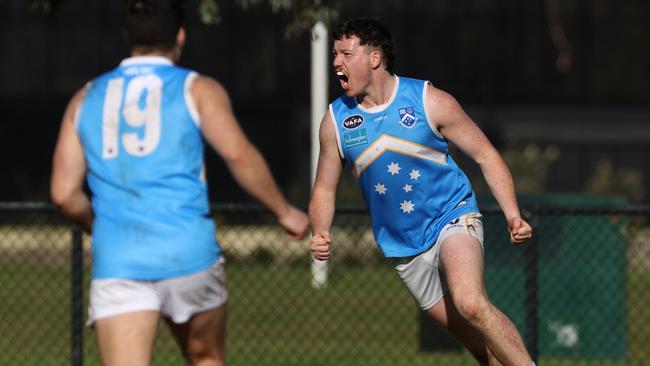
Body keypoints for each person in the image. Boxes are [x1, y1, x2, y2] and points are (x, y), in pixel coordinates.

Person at [50, 1, 309, 365]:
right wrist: (284, 211)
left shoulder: (86, 97)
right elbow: (238, 155)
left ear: (127, 37)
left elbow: (63, 193)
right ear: (181, 36)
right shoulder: (197, 89)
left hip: (120, 261)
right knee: (205, 357)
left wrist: (100, 226)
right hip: (189, 255)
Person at [309, 18, 535, 366]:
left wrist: (512, 214)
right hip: (402, 245)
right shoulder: (336, 121)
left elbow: (486, 155)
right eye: (334, 54)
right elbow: (324, 186)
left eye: (345, 53)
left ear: (374, 58)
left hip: (452, 216)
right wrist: (320, 230)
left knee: (471, 303)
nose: (336, 62)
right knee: (478, 343)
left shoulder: (430, 100)